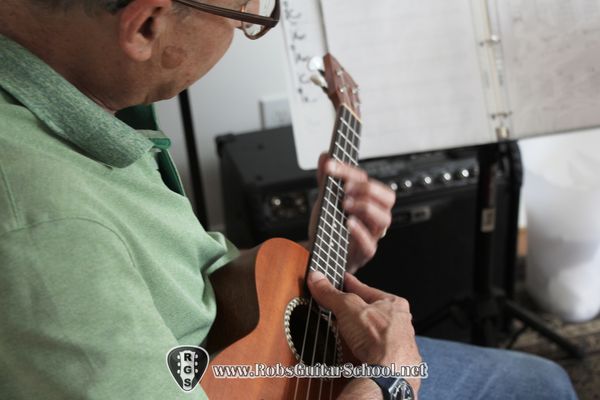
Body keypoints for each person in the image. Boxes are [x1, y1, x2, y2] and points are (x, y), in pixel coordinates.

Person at [0, 0, 578, 399]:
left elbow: (172, 282)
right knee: (539, 386)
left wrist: (314, 265)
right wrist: (389, 381)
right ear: (146, 25)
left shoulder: (66, 107)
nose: (247, 29)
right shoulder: (43, 225)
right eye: (246, 19)